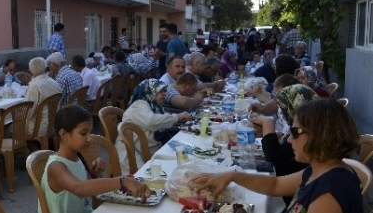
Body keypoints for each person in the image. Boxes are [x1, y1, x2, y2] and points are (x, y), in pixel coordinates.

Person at [193, 98, 361, 213]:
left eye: (294, 132)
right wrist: (232, 175)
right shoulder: (320, 169)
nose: (288, 140)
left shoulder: (331, 190)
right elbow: (276, 184)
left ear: (319, 135)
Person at [41, 105, 152, 213]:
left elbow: (84, 192)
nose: (89, 138)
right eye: (83, 133)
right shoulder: (55, 167)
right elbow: (79, 189)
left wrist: (94, 174)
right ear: (64, 134)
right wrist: (123, 181)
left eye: (90, 132)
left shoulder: (76, 158)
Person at [251, 84, 319, 205]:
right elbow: (275, 185)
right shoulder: (314, 169)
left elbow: (275, 161)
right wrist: (232, 176)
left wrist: (268, 123)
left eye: (282, 109)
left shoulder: (327, 185)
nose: (281, 114)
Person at [115, 79, 191, 174]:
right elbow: (153, 122)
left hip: (148, 148)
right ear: (149, 91)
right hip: (133, 153)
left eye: (165, 91)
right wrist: (177, 117)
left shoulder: (154, 106)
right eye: (160, 91)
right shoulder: (139, 105)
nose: (164, 94)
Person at [24, 57, 62, 136]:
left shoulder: (35, 86)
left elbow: (28, 112)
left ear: (31, 70)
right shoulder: (54, 82)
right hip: (54, 123)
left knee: (7, 127)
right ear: (45, 68)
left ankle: (29, 147)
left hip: (38, 128)